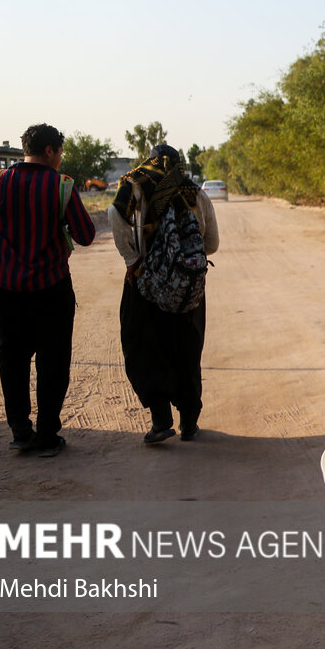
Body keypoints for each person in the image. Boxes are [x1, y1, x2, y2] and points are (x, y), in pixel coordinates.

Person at [0, 123, 96, 455]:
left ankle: (21, 431)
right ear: (50, 151)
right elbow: (86, 234)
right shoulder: (61, 186)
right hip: (52, 289)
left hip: (7, 289)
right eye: (60, 152)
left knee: (12, 358)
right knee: (53, 360)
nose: (60, 158)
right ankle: (47, 435)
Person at [109, 143, 219, 443]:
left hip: (145, 286)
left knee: (144, 350)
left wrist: (134, 261)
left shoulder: (136, 184)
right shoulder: (195, 192)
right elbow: (212, 243)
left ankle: (161, 422)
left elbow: (114, 215)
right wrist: (185, 259)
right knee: (187, 351)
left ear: (151, 160)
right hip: (189, 291)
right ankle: (190, 425)